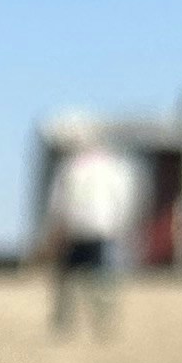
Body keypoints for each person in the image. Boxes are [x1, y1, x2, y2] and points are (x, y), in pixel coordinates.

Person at [46, 125, 138, 333]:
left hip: (80, 229)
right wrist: (121, 225)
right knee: (98, 279)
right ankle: (100, 323)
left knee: (76, 280)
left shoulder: (72, 167)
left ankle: (67, 323)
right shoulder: (113, 168)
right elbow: (123, 199)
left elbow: (57, 201)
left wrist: (56, 226)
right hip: (99, 229)